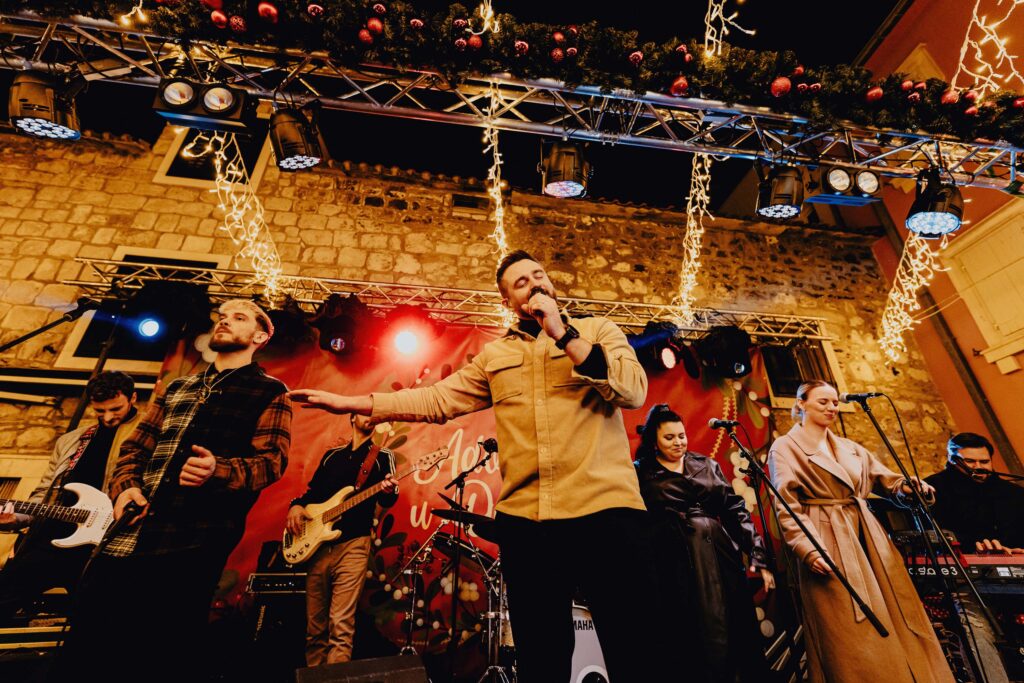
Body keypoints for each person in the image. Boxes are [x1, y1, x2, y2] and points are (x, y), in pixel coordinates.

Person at [290, 250, 666, 682]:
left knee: (635, 650)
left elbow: (632, 391)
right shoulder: (495, 356)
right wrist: (355, 402)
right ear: (508, 302)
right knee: (542, 660)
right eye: (521, 282)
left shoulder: (599, 330)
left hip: (607, 512)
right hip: (529, 523)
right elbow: (437, 399)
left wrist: (564, 335)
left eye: (538, 275)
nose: (535, 283)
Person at [51, 299, 292, 681]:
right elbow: (134, 449)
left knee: (158, 655)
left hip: (191, 542)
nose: (225, 321)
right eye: (222, 316)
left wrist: (217, 469)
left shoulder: (270, 391)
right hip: (127, 536)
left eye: (239, 318)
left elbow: (270, 464)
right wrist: (125, 488)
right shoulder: (179, 387)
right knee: (87, 647)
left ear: (260, 336)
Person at [768, 380, 954, 683]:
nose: (832, 408)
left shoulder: (849, 447)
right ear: (801, 403)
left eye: (834, 402)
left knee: (897, 611)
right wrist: (807, 549)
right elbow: (785, 504)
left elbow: (886, 480)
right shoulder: (785, 448)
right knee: (849, 626)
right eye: (823, 402)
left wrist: (907, 487)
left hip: (868, 536)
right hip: (827, 539)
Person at [635, 404, 774, 683]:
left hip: (719, 555)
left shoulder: (707, 465)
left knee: (733, 626)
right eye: (669, 437)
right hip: (672, 559)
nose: (678, 442)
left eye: (681, 435)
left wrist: (757, 555)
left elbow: (735, 511)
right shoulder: (641, 472)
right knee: (690, 633)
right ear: (654, 441)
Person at [0, 371, 142, 618]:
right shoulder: (72, 441)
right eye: (99, 411)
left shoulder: (145, 436)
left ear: (133, 398)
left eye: (115, 409)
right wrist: (16, 519)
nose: (108, 417)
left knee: (97, 618)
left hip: (106, 544)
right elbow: (45, 493)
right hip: (53, 538)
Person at [286, 413, 398, 666]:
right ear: (352, 417)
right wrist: (296, 506)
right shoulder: (332, 456)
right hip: (318, 546)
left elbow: (387, 499)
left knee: (341, 625)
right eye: (365, 413)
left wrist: (389, 490)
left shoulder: (383, 456)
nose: (370, 417)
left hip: (354, 545)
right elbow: (313, 494)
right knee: (315, 627)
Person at [926, 432, 1024, 554]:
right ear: (952, 460)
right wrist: (976, 547)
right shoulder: (933, 488)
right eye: (970, 461)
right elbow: (933, 535)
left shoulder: (1015, 493)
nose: (978, 467)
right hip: (959, 559)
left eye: (984, 462)